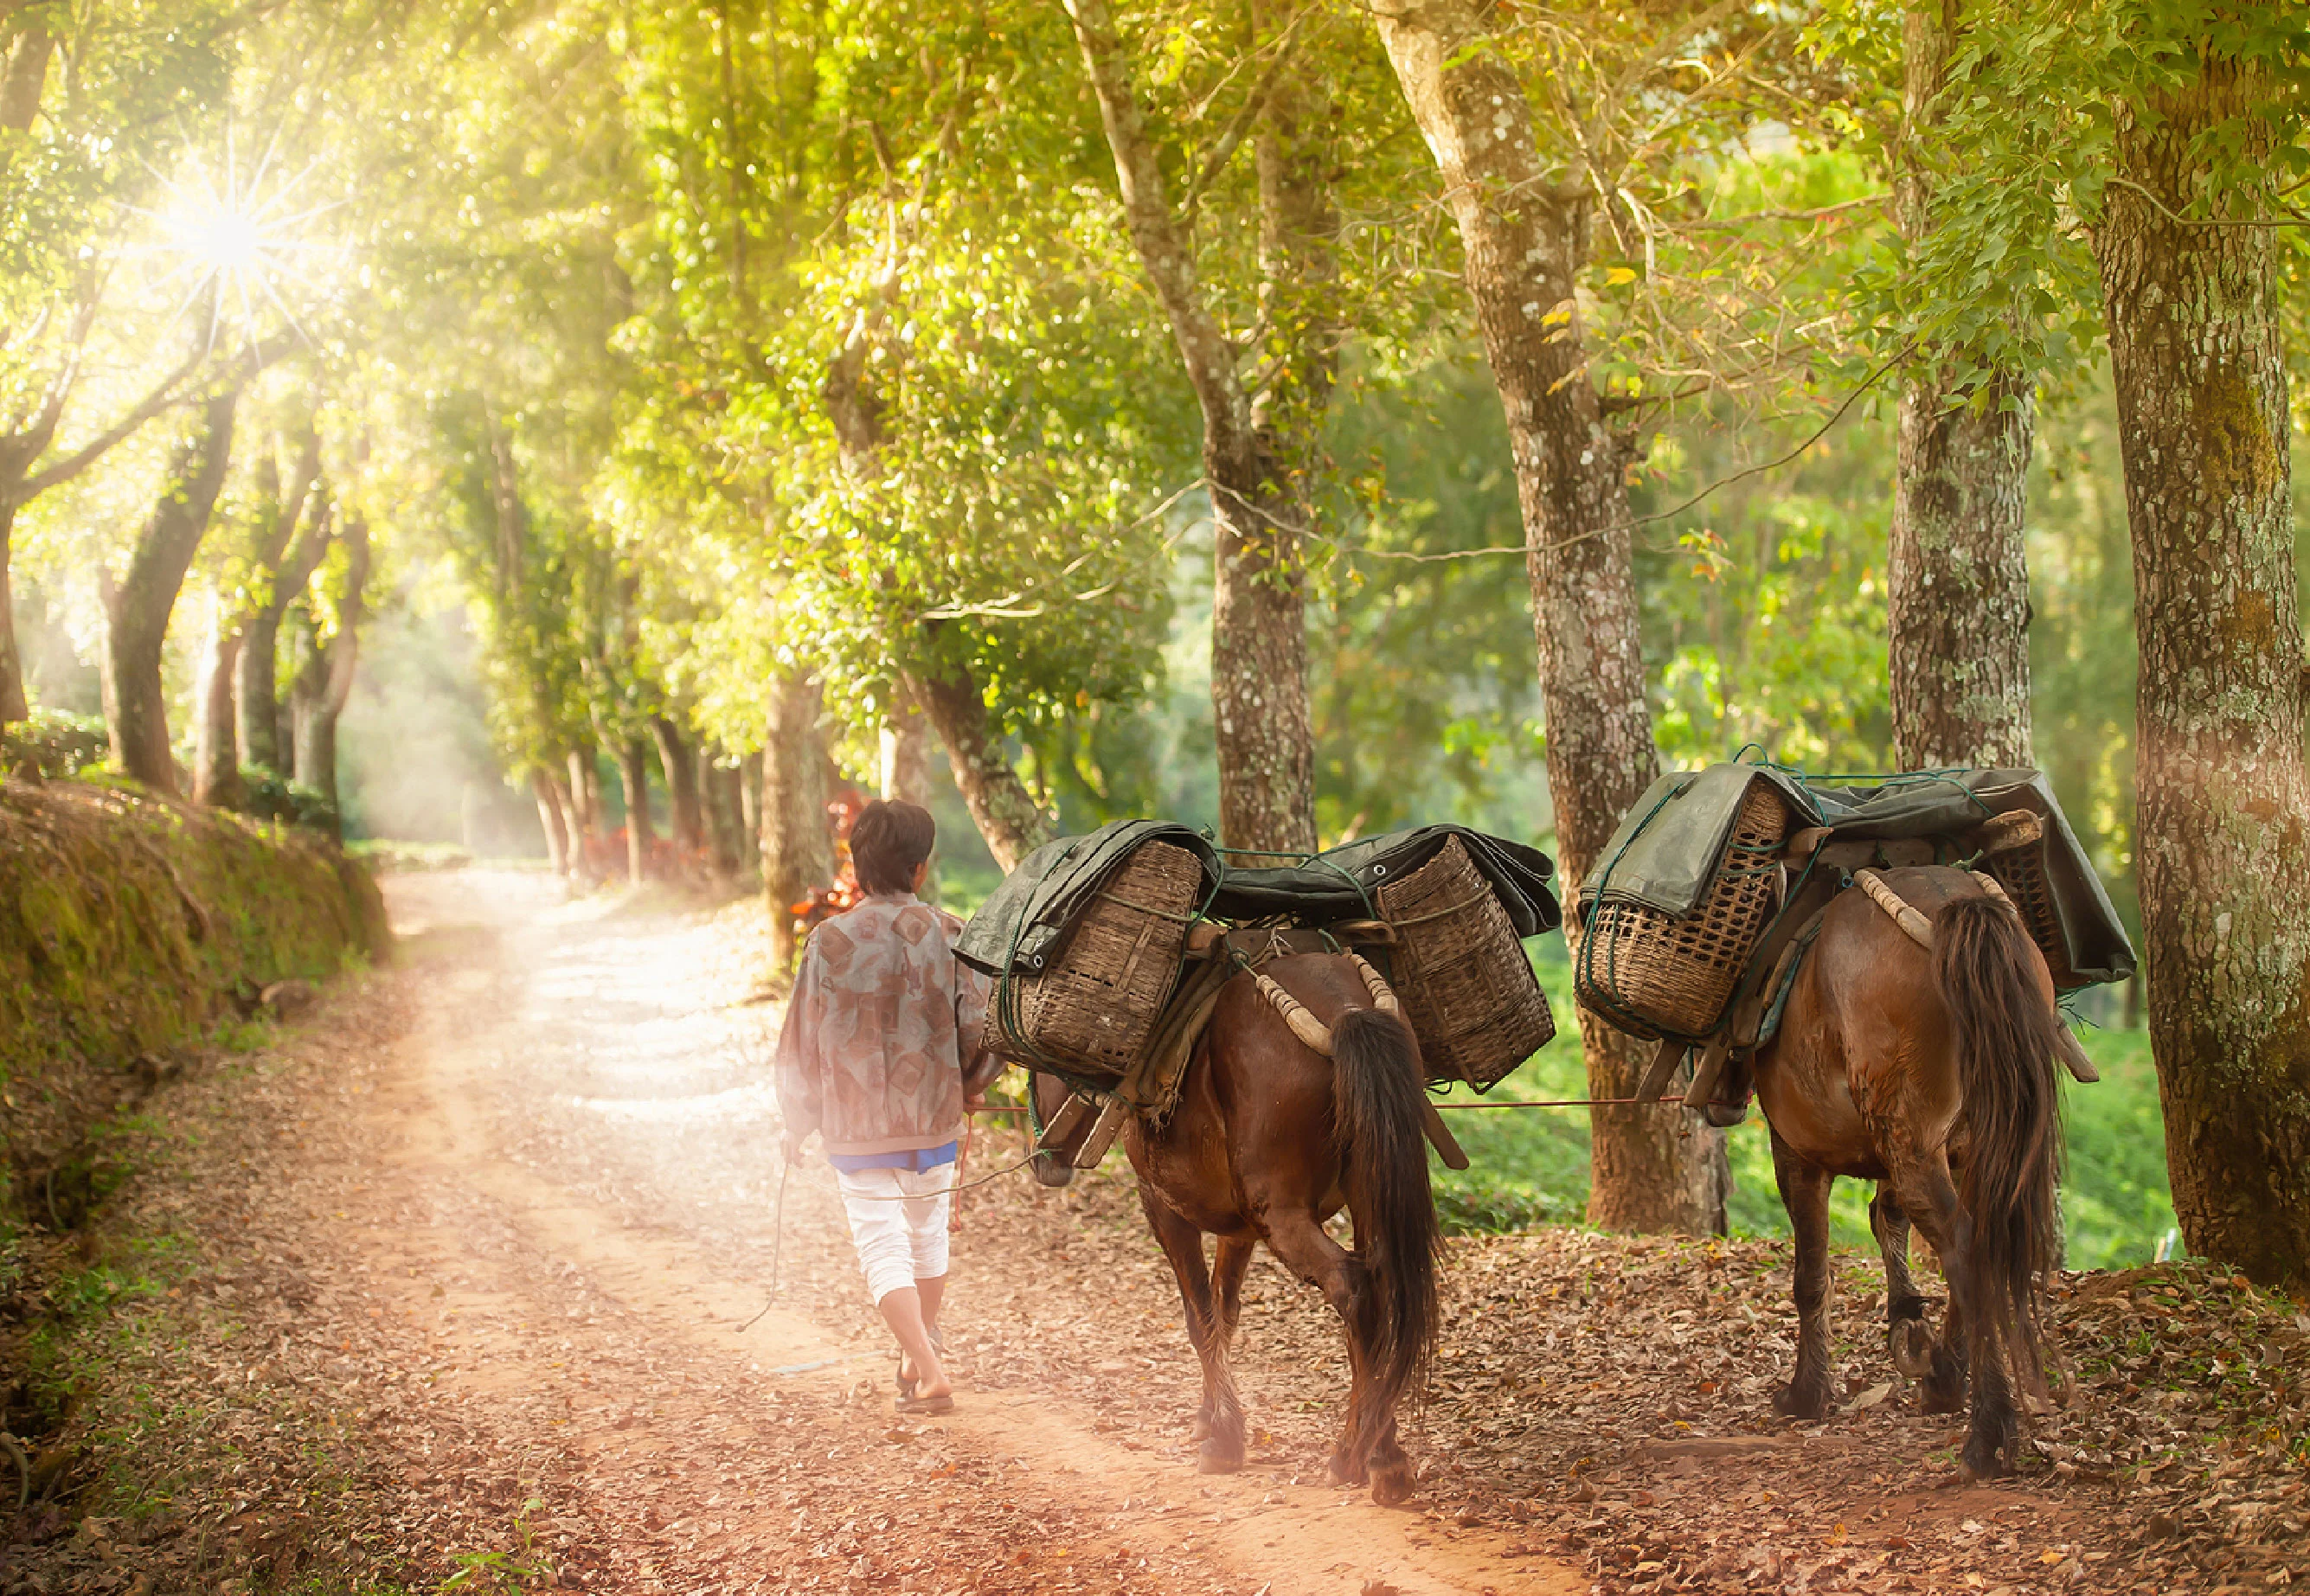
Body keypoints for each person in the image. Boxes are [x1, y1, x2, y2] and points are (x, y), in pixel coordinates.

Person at [773, 798, 998, 1414]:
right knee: (926, 1236)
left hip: (856, 1124)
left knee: (882, 1244)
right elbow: (979, 1029)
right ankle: (915, 1356)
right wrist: (972, 1083)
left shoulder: (828, 940)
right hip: (933, 1117)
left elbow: (802, 1035)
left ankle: (927, 1369)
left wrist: (798, 1119)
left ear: (857, 862)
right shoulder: (952, 935)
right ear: (920, 869)